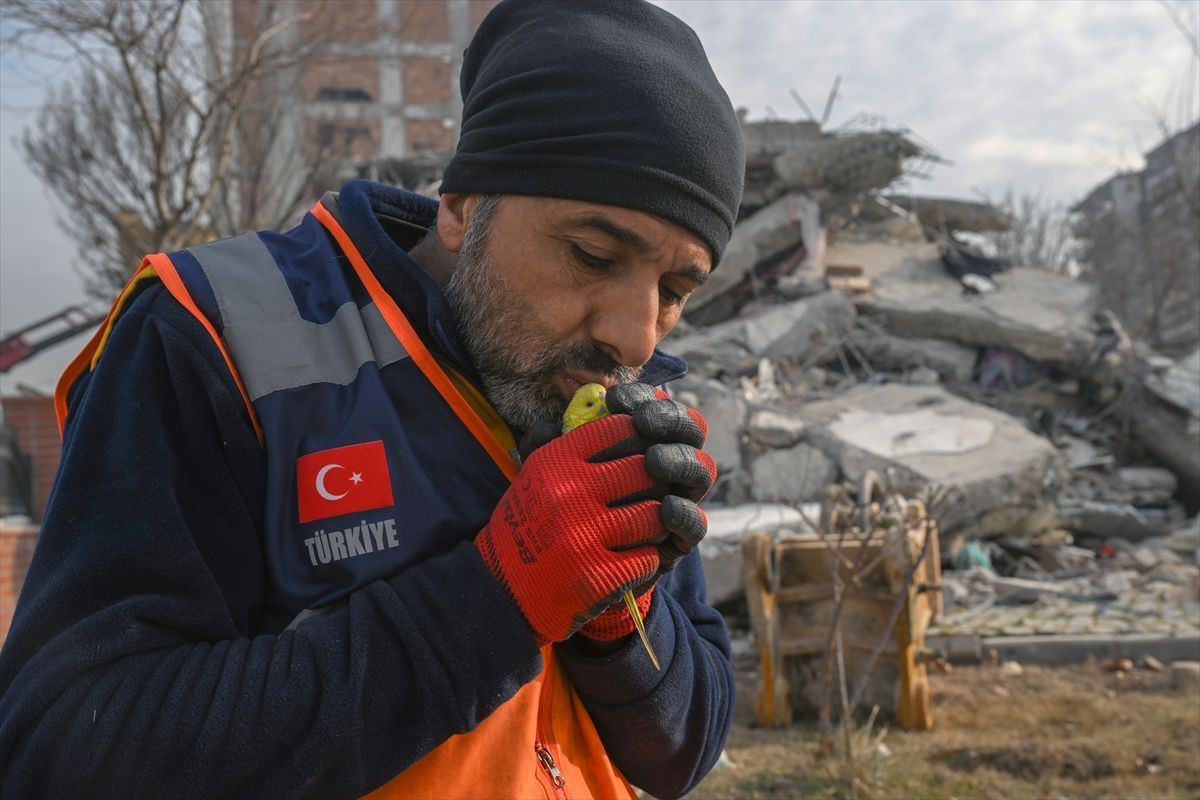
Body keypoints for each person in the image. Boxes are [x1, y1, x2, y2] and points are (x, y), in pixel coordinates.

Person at [0, 1, 745, 798]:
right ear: (463, 207)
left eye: (673, 289)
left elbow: (680, 752)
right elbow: (60, 750)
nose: (635, 336)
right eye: (593, 255)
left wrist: (614, 619)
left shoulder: (618, 405)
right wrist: (494, 600)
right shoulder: (215, 335)